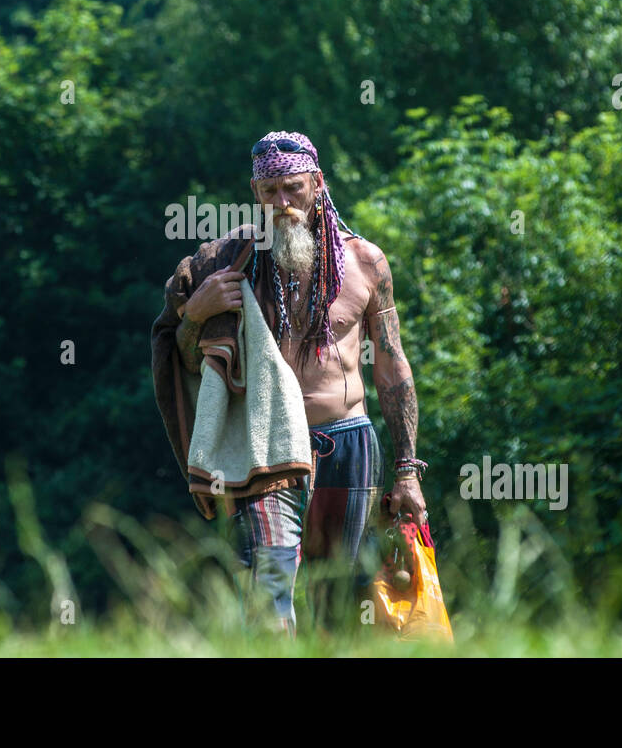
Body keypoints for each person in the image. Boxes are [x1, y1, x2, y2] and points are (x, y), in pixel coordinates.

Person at [151, 130, 428, 635]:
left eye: (293, 188)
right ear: (255, 193)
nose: (282, 202)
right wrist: (195, 314)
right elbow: (188, 362)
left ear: (317, 183)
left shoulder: (366, 262)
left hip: (349, 442)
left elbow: (392, 366)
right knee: (267, 588)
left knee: (340, 604)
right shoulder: (229, 263)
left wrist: (408, 469)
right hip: (267, 447)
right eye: (269, 191)